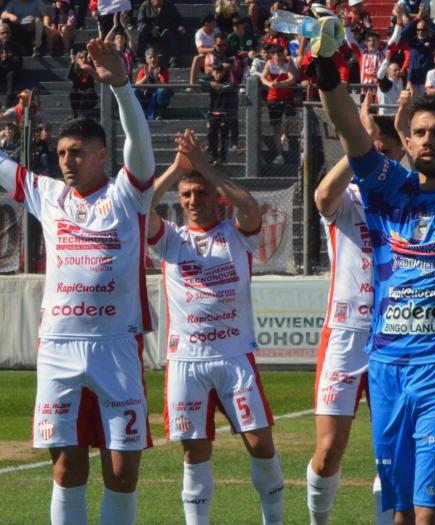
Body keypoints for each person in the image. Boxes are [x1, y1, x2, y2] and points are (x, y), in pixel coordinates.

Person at [309, 2, 435, 521]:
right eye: (420, 132)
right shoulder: (388, 192)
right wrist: (328, 69)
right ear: (408, 139)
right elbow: (353, 135)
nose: (428, 140)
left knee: (429, 514)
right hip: (387, 365)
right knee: (399, 511)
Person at [0, 38, 155, 525]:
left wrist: (123, 89)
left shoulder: (128, 195)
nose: (66, 161)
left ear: (103, 156)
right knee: (67, 470)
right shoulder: (47, 194)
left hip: (116, 346)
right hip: (58, 347)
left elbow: (142, 148)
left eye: (77, 153)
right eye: (62, 153)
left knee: (123, 473)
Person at [147, 129, 284, 525]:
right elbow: (143, 207)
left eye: (201, 193)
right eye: (186, 195)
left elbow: (251, 206)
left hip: (234, 356)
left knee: (261, 446)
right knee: (194, 452)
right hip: (185, 361)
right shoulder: (171, 240)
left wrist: (205, 167)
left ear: (216, 198)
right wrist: (178, 168)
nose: (192, 201)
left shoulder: (235, 235)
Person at [306, 99, 404, 525]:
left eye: (382, 150)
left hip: (396, 334)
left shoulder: (408, 196)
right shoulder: (347, 197)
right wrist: (356, 143)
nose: (373, 156)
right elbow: (321, 195)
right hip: (345, 334)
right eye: (369, 148)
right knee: (328, 453)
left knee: (391, 451)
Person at [260, 44, 299, 165]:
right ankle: (279, 154)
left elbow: (292, 78)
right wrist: (269, 83)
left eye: (281, 54)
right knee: (276, 126)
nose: (280, 57)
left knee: (293, 120)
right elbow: (262, 77)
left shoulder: (288, 62)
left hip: (287, 97)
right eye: (277, 55)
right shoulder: (269, 63)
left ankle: (285, 136)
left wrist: (280, 84)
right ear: (273, 55)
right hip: (274, 98)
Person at [199, 63, 238, 163]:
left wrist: (220, 86)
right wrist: (210, 84)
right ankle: (213, 156)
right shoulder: (210, 80)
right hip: (212, 113)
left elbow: (233, 85)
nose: (218, 75)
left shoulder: (227, 81)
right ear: (212, 72)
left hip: (224, 114)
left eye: (220, 72)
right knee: (212, 135)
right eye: (216, 72)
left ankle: (223, 157)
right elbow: (199, 81)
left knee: (224, 136)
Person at [399, 16, 435, 95]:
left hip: (427, 81)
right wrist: (417, 18)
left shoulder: (433, 42)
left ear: (428, 30)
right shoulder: (412, 41)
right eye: (418, 30)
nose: (420, 32)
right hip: (412, 80)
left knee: (426, 105)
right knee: (411, 105)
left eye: (423, 30)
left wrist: (426, 19)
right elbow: (404, 33)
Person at [135, 48, 173, 120]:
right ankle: (140, 112)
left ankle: (159, 113)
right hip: (146, 95)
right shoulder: (143, 70)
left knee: (162, 91)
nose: (153, 60)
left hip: (158, 95)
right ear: (146, 59)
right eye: (150, 57)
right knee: (134, 91)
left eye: (154, 57)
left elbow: (165, 86)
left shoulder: (163, 70)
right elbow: (136, 84)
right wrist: (145, 77)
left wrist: (157, 78)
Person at [68, 49, 99, 119]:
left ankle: (90, 112)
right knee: (73, 94)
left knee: (89, 93)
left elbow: (96, 74)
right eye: (81, 57)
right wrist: (73, 63)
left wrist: (91, 61)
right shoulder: (75, 67)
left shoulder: (90, 66)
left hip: (88, 90)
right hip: (78, 89)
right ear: (77, 59)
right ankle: (74, 113)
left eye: (85, 57)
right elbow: (69, 77)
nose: (83, 59)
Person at [0, 24, 23, 107]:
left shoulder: (15, 46)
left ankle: (8, 102)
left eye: (7, 32)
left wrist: (7, 59)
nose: (5, 35)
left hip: (10, 70)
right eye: (2, 33)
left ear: (10, 34)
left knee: (12, 74)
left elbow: (18, 62)